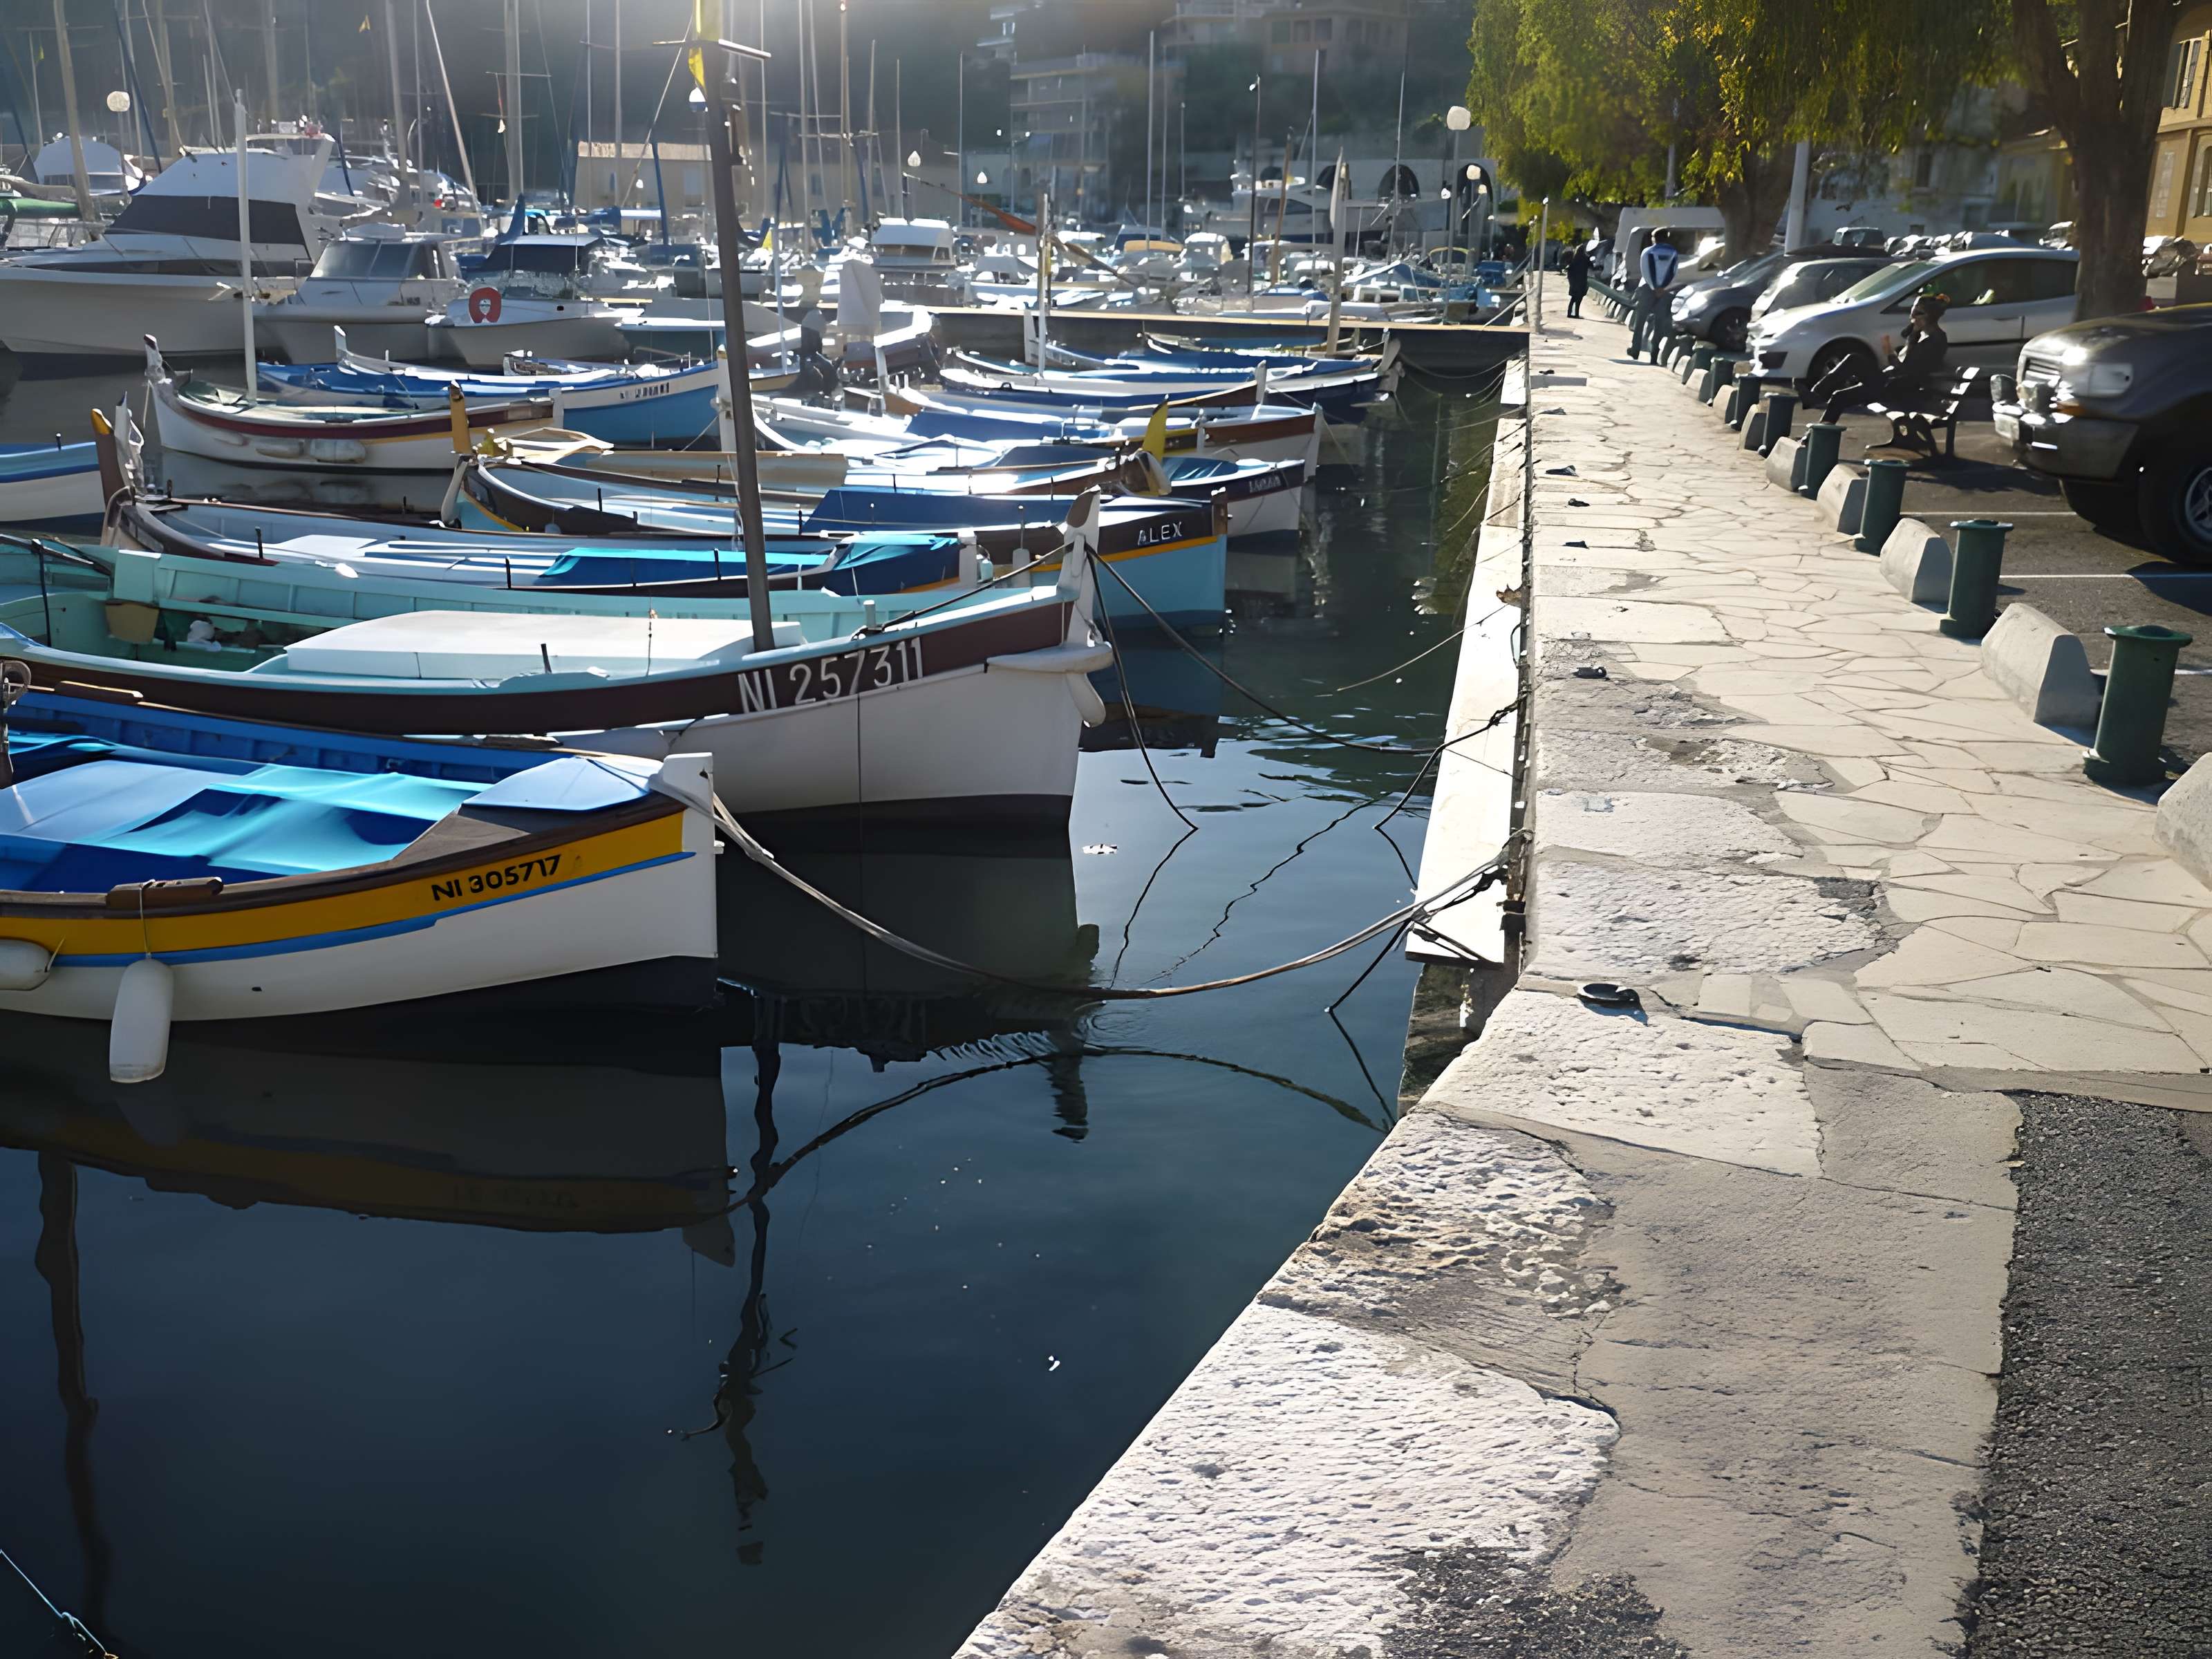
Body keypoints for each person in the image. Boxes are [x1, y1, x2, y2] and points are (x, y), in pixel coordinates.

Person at [1807, 292, 1950, 424]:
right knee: (1840, 396)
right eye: (1912, 314)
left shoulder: (1936, 340)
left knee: (1854, 360)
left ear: (1931, 316)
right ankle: (1814, 435)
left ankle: (1815, 395)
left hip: (1900, 390)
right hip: (1891, 383)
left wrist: (1892, 350)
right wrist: (1910, 339)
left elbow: (1906, 369)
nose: (1913, 319)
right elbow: (1902, 366)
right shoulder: (1921, 336)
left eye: (1918, 314)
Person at [1625, 230, 1678, 359]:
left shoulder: (1647, 252)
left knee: (1640, 321)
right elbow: (1673, 271)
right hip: (1666, 290)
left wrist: (1654, 287)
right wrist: (1662, 287)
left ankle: (1635, 349)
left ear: (1654, 239)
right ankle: (1654, 354)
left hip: (1647, 288)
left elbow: (1645, 271)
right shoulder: (1673, 252)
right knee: (1659, 323)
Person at [1564, 238, 1592, 318]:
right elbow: (1592, 267)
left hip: (1574, 283)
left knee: (1573, 299)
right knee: (1579, 300)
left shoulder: (1574, 260)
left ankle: (1570, 314)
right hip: (1581, 282)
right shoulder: (1585, 259)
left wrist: (1571, 283)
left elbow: (1569, 272)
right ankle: (1576, 314)